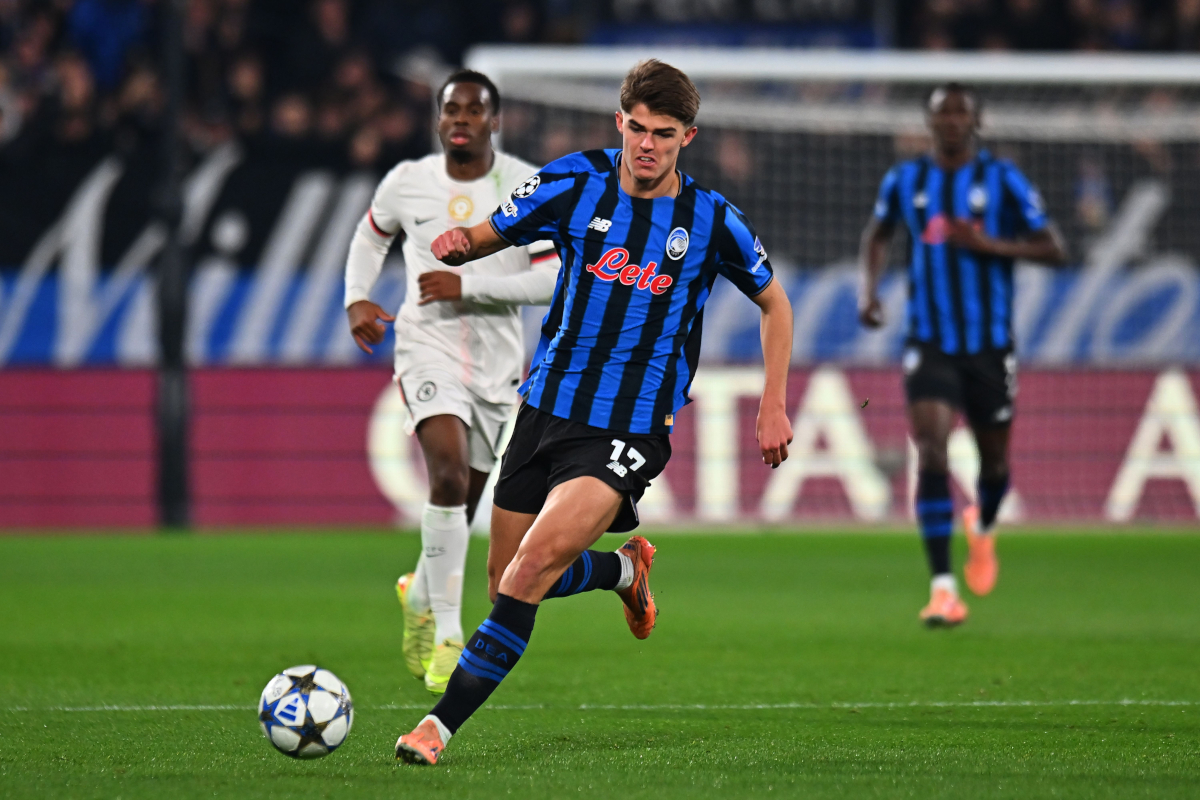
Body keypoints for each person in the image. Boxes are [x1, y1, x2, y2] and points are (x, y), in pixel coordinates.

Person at [393, 59, 795, 765]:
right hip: (545, 406)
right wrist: (464, 244)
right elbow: (497, 229)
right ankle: (621, 573)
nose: (646, 145)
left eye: (662, 134)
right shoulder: (574, 180)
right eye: (636, 128)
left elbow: (774, 301)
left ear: (687, 138)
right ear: (620, 123)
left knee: (530, 570)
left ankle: (437, 727)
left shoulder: (709, 219)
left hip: (629, 425)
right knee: (507, 582)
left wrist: (773, 402)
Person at [344, 69, 560, 694]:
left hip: (497, 367)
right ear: (438, 121)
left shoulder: (527, 184)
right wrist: (358, 298)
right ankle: (446, 635)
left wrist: (471, 284)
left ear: (495, 120)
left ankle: (420, 589)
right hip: (425, 344)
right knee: (443, 474)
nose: (461, 119)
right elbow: (370, 234)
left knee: (463, 500)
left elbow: (552, 279)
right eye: (451, 109)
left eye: (475, 110)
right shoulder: (406, 182)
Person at [858, 83, 1067, 627]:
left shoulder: (1003, 180)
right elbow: (877, 235)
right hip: (928, 341)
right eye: (940, 112)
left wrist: (992, 246)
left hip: (990, 347)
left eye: (959, 112)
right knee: (930, 453)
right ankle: (943, 589)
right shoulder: (906, 179)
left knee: (995, 466)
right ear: (928, 122)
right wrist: (870, 291)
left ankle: (984, 524)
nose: (950, 120)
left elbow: (1054, 248)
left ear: (977, 121)